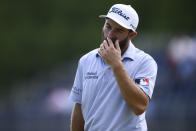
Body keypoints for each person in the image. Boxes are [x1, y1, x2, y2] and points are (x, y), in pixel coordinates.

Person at [69, 3, 158, 131]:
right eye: (108, 26)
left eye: (119, 30)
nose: (110, 35)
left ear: (131, 35)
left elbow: (140, 106)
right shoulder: (86, 61)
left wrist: (116, 65)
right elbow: (79, 108)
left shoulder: (145, 62)